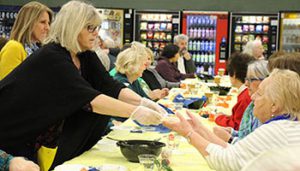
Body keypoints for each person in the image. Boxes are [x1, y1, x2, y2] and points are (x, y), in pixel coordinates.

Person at [0, 1, 166, 169]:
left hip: (38, 135)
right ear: (73, 27)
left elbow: (109, 85)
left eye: (97, 28)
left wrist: (142, 101)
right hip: (13, 133)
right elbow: (89, 99)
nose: (95, 34)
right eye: (90, 28)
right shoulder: (52, 57)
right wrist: (135, 112)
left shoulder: (84, 54)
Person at [163, 69, 300, 171]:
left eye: (259, 94)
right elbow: (236, 152)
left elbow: (226, 161)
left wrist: (189, 134)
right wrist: (199, 129)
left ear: (274, 105)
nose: (252, 98)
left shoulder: (275, 130)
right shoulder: (288, 125)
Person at [213, 60, 269, 143]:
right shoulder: (252, 104)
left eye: (251, 79)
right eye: (246, 79)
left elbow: (255, 146)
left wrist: (230, 139)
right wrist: (232, 132)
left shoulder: (265, 109)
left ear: (265, 81)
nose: (246, 84)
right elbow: (249, 134)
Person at [0, 1, 53, 80]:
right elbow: (7, 89)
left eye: (48, 23)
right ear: (28, 22)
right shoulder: (14, 48)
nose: (47, 27)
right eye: (43, 22)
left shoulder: (40, 51)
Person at [214, 53, 254, 130]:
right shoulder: (246, 92)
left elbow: (237, 126)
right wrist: (226, 117)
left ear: (234, 74)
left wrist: (219, 118)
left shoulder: (245, 96)